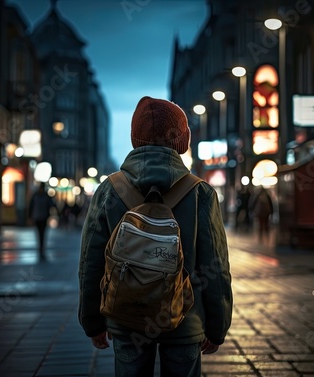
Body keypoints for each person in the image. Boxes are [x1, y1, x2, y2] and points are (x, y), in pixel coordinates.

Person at [78, 96, 233, 377]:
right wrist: (217, 326)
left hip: (126, 317)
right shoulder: (200, 193)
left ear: (135, 139)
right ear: (182, 140)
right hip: (184, 319)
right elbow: (216, 267)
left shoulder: (109, 190)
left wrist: (93, 321)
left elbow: (91, 261)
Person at [29, 183, 56, 260]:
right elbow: (52, 205)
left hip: (40, 217)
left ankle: (41, 247)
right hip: (40, 217)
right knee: (41, 233)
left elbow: (31, 206)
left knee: (41, 233)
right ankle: (41, 247)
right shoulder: (44, 196)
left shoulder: (36, 196)